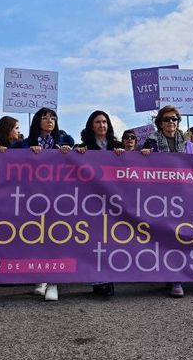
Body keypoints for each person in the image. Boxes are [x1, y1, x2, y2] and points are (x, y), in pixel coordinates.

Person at [141, 105, 193, 298]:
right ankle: (169, 275)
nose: (171, 122)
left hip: (183, 195)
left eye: (174, 119)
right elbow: (139, 166)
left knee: (181, 235)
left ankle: (176, 277)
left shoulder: (188, 144)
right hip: (159, 195)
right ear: (160, 123)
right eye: (167, 119)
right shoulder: (151, 141)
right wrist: (142, 155)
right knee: (164, 235)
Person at [12, 108, 74, 302]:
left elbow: (78, 153)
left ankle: (52, 281)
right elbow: (5, 158)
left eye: (53, 118)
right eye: (45, 118)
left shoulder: (63, 142)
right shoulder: (24, 144)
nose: (49, 121)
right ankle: (39, 277)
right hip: (31, 197)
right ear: (37, 121)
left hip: (56, 197)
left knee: (54, 236)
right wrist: (25, 153)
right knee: (35, 236)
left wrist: (68, 151)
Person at [75, 110, 125, 297]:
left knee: (111, 240)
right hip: (92, 200)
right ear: (91, 125)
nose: (102, 125)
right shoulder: (84, 147)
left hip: (114, 200)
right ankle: (97, 280)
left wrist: (123, 156)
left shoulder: (117, 146)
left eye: (104, 122)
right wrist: (78, 154)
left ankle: (110, 277)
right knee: (95, 241)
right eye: (98, 122)